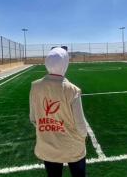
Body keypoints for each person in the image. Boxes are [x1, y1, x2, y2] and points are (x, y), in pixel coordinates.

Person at [29, 47, 87, 177]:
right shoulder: (72, 90)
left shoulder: (35, 87)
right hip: (73, 146)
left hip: (47, 145)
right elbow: (80, 125)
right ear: (65, 64)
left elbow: (33, 118)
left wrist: (48, 129)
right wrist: (83, 137)